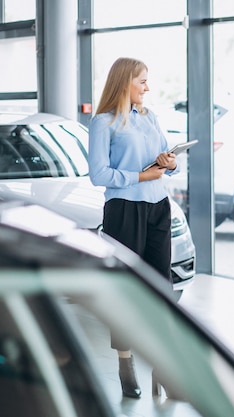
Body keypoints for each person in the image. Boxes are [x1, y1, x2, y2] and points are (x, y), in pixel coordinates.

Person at [88, 57, 179, 398]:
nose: (147, 87)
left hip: (158, 206)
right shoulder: (103, 123)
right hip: (123, 210)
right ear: (125, 82)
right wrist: (140, 175)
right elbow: (99, 175)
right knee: (126, 290)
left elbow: (164, 160)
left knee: (161, 288)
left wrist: (170, 163)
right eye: (142, 81)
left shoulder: (150, 117)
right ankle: (126, 363)